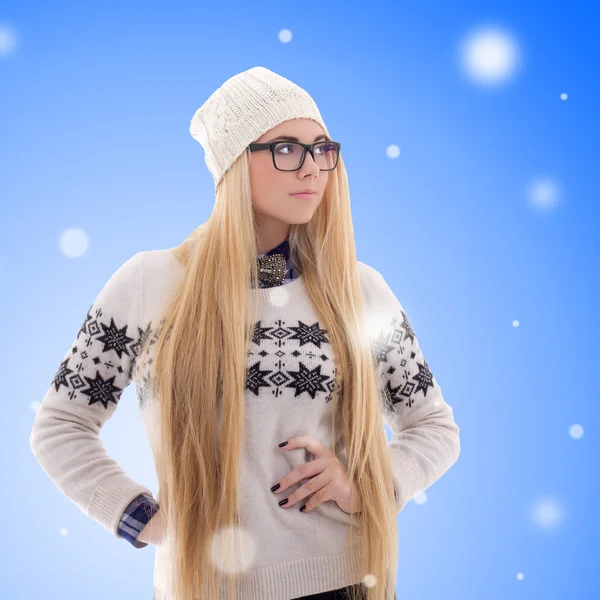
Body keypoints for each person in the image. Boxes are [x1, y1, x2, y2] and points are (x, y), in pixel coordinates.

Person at [30, 66, 460, 600]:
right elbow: (60, 427)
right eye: (286, 149)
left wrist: (369, 486)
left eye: (321, 149)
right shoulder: (150, 284)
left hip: (346, 583)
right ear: (235, 162)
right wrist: (147, 520)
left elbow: (433, 427)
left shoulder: (360, 290)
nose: (311, 169)